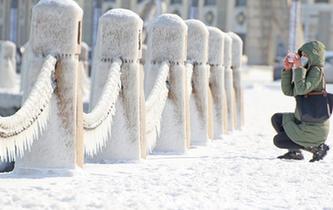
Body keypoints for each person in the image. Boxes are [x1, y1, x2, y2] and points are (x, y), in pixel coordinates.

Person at [271, 41, 330, 162]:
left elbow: (302, 89)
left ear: (314, 55)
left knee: (279, 140)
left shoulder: (316, 71)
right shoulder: (308, 70)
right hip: (304, 119)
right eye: (302, 55)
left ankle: (317, 148)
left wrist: (298, 68)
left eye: (306, 55)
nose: (304, 58)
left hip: (314, 126)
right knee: (277, 118)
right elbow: (289, 91)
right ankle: (294, 152)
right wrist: (288, 70)